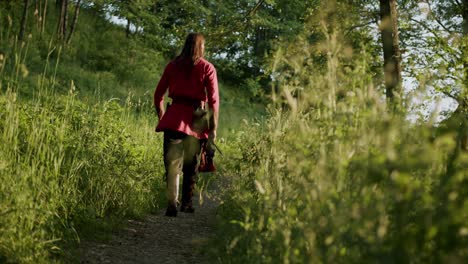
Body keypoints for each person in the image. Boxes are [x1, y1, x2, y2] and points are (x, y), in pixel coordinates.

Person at [153, 32, 219, 217]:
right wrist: (213, 128)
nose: (204, 49)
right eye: (204, 46)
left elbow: (158, 95)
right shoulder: (207, 68)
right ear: (200, 47)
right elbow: (214, 100)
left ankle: (172, 203)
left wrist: (163, 117)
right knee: (192, 162)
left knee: (172, 163)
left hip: (173, 117)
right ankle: (187, 203)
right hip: (197, 118)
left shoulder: (172, 65)